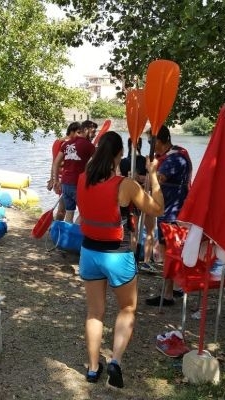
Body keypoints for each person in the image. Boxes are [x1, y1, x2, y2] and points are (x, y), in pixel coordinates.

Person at [76, 131, 164, 388]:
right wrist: (153, 175)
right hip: (117, 255)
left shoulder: (82, 178)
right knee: (127, 308)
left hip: (89, 253)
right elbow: (158, 208)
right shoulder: (126, 185)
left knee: (95, 312)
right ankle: (115, 361)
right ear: (119, 155)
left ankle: (93, 368)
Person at [145, 125, 193, 306]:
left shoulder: (175, 158)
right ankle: (175, 288)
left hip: (172, 211)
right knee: (170, 251)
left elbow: (158, 180)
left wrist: (148, 173)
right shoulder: (170, 156)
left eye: (151, 142)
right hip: (168, 209)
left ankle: (167, 294)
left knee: (170, 251)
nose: (150, 146)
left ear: (161, 141)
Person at [119, 137, 157, 273]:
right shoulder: (145, 161)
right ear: (140, 145)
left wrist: (135, 178)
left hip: (132, 199)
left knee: (133, 231)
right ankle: (145, 261)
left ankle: (132, 260)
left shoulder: (122, 162)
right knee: (149, 230)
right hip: (144, 197)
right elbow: (150, 180)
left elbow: (119, 179)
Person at [52, 122, 95, 223]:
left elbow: (56, 162)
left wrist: (56, 180)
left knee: (69, 213)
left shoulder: (66, 144)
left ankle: (67, 232)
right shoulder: (89, 146)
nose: (94, 134)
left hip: (65, 184)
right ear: (85, 130)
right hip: (78, 184)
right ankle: (74, 231)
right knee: (85, 213)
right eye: (93, 132)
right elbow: (98, 164)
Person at [47, 123, 78, 220]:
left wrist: (52, 179)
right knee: (63, 209)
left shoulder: (58, 142)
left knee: (64, 209)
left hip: (62, 178)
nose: (80, 136)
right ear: (72, 132)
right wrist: (54, 179)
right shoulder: (66, 144)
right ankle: (57, 226)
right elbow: (57, 162)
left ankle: (57, 225)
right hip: (64, 179)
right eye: (78, 132)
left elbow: (54, 162)